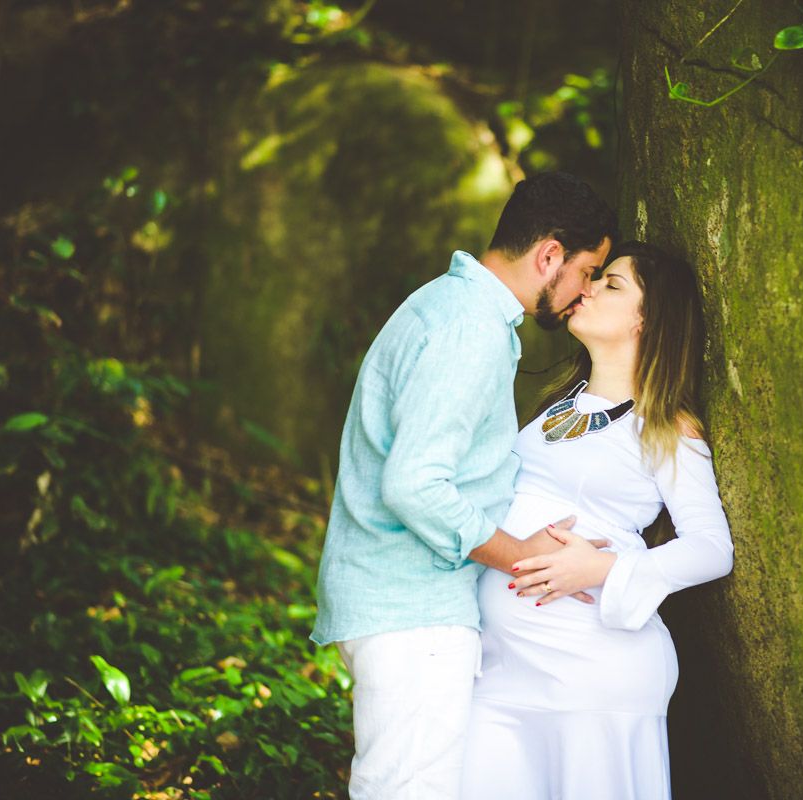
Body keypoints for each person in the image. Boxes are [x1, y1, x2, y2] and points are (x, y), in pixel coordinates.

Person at [310, 171, 620, 800]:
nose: (584, 293)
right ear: (549, 255)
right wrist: (524, 557)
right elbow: (415, 485)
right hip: (412, 614)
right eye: (588, 272)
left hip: (406, 609)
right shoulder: (469, 329)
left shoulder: (451, 307)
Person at [460, 241, 735, 799]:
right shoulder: (557, 403)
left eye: (611, 285)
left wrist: (604, 567)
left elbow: (712, 548)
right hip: (503, 667)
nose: (586, 288)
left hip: (591, 673)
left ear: (645, 320)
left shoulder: (665, 427)